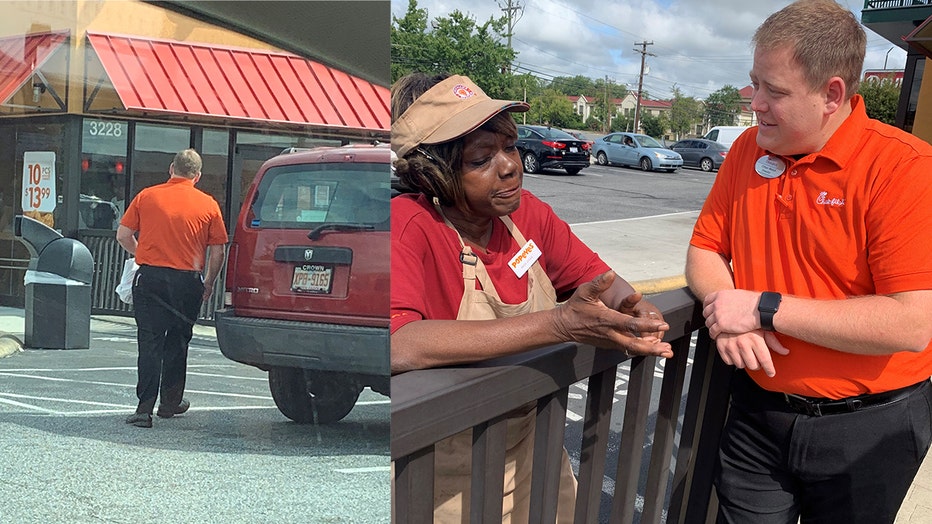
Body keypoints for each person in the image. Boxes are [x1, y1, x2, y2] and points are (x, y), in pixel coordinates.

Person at [685, 1, 932, 522]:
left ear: (831, 94)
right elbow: (706, 248)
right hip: (757, 413)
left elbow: (912, 321)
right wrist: (722, 309)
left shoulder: (903, 169)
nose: (755, 103)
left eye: (774, 91)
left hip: (868, 429)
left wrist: (762, 308)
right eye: (755, 83)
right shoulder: (746, 152)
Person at [391, 72, 674, 522]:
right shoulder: (409, 225)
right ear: (433, 173)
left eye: (509, 146)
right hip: (443, 471)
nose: (509, 166)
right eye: (482, 158)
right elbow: (398, 343)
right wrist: (557, 324)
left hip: (535, 452)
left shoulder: (528, 215)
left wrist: (634, 309)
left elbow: (598, 278)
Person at [117, 149, 227, 428]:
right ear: (197, 176)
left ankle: (144, 408)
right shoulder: (208, 204)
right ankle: (170, 401)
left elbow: (123, 235)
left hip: (150, 278)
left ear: (171, 169)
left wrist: (142, 253)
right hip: (187, 281)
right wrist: (209, 282)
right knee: (178, 341)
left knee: (150, 342)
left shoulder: (147, 196)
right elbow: (218, 251)